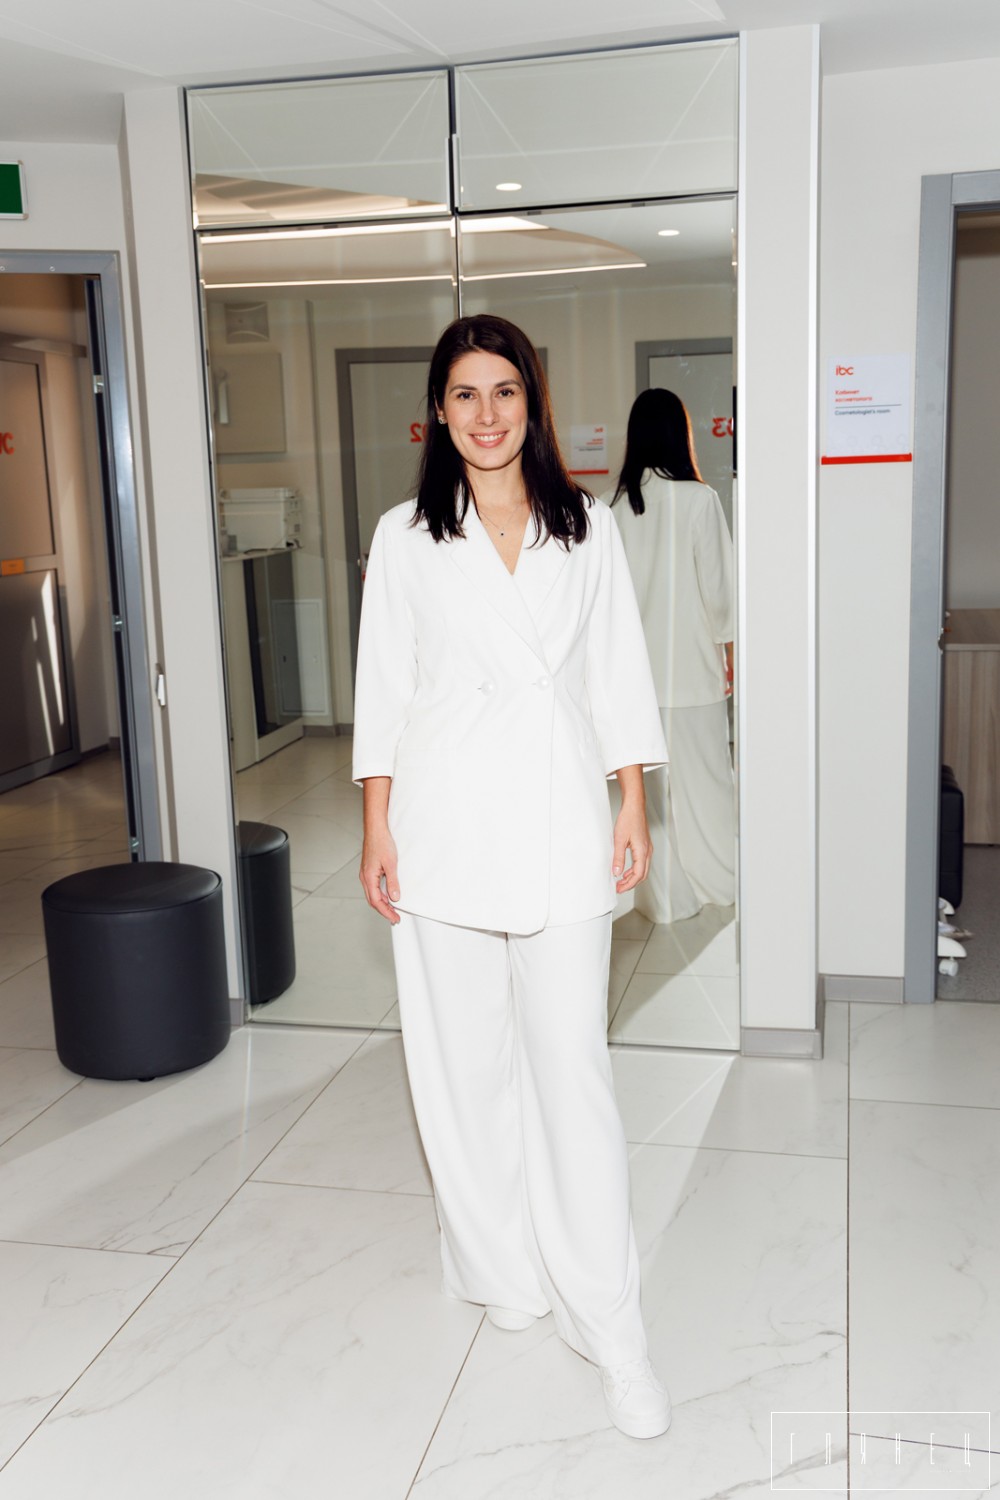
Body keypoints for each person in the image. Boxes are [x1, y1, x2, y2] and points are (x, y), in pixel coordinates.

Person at [352, 314, 671, 1440]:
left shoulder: (585, 526)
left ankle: (611, 1325)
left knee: (571, 1073)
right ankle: (499, 1265)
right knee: (464, 1067)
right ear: (437, 413)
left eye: (504, 392)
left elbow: (616, 671)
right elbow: (384, 690)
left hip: (559, 821)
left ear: (531, 404)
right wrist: (376, 827)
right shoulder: (404, 537)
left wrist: (630, 799)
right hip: (440, 828)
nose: (486, 414)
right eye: (464, 394)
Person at [608, 388, 735, 925]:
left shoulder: (612, 509)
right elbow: (721, 593)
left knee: (648, 802)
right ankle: (721, 884)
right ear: (680, 435)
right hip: (694, 674)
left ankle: (661, 899)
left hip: (634, 683)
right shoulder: (699, 500)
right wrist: (729, 653)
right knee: (708, 789)